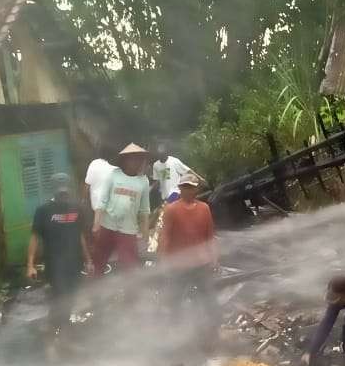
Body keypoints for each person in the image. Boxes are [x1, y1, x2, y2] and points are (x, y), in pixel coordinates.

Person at [27, 173, 92, 330]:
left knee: (71, 296)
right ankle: (56, 328)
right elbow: (35, 238)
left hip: (75, 263)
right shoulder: (43, 211)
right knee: (60, 296)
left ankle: (61, 326)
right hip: (54, 263)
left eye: (65, 192)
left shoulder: (78, 208)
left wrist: (88, 260)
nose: (63, 195)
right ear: (53, 191)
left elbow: (81, 236)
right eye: (60, 192)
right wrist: (30, 265)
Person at [159, 172, 219, 335]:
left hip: (201, 263)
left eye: (191, 187)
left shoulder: (204, 208)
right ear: (180, 188)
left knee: (209, 298)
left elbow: (210, 235)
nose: (188, 190)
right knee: (175, 300)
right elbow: (165, 236)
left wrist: (214, 258)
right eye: (184, 186)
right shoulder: (171, 209)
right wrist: (164, 261)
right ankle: (174, 331)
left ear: (196, 189)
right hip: (180, 265)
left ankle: (212, 330)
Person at [92, 143, 152, 275]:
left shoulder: (143, 181)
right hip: (107, 226)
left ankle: (130, 294)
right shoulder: (113, 175)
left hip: (128, 230)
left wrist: (145, 234)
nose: (136, 162)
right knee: (99, 261)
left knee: (130, 266)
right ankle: (94, 291)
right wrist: (96, 224)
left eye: (139, 159)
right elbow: (102, 201)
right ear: (124, 160)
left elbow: (144, 210)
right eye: (132, 158)